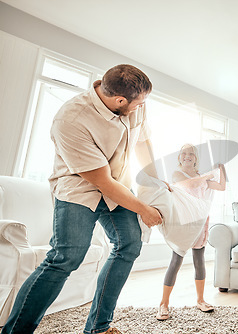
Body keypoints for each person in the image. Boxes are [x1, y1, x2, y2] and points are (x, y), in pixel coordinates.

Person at [1, 64, 164, 334]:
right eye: (138, 103)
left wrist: (155, 180)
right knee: (65, 257)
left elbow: (142, 142)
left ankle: (99, 327)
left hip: (117, 184)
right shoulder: (71, 119)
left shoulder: (134, 104)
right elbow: (101, 182)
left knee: (130, 245)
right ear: (119, 100)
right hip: (80, 188)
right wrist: (144, 209)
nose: (142, 106)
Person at [156, 143, 226, 321]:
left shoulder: (201, 177)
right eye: (184, 153)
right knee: (176, 261)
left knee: (199, 261)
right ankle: (163, 303)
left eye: (192, 154)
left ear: (196, 159)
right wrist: (210, 174)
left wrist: (221, 167)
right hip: (184, 222)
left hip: (201, 222)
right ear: (179, 157)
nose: (187, 156)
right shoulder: (177, 174)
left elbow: (221, 187)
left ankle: (200, 300)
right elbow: (192, 183)